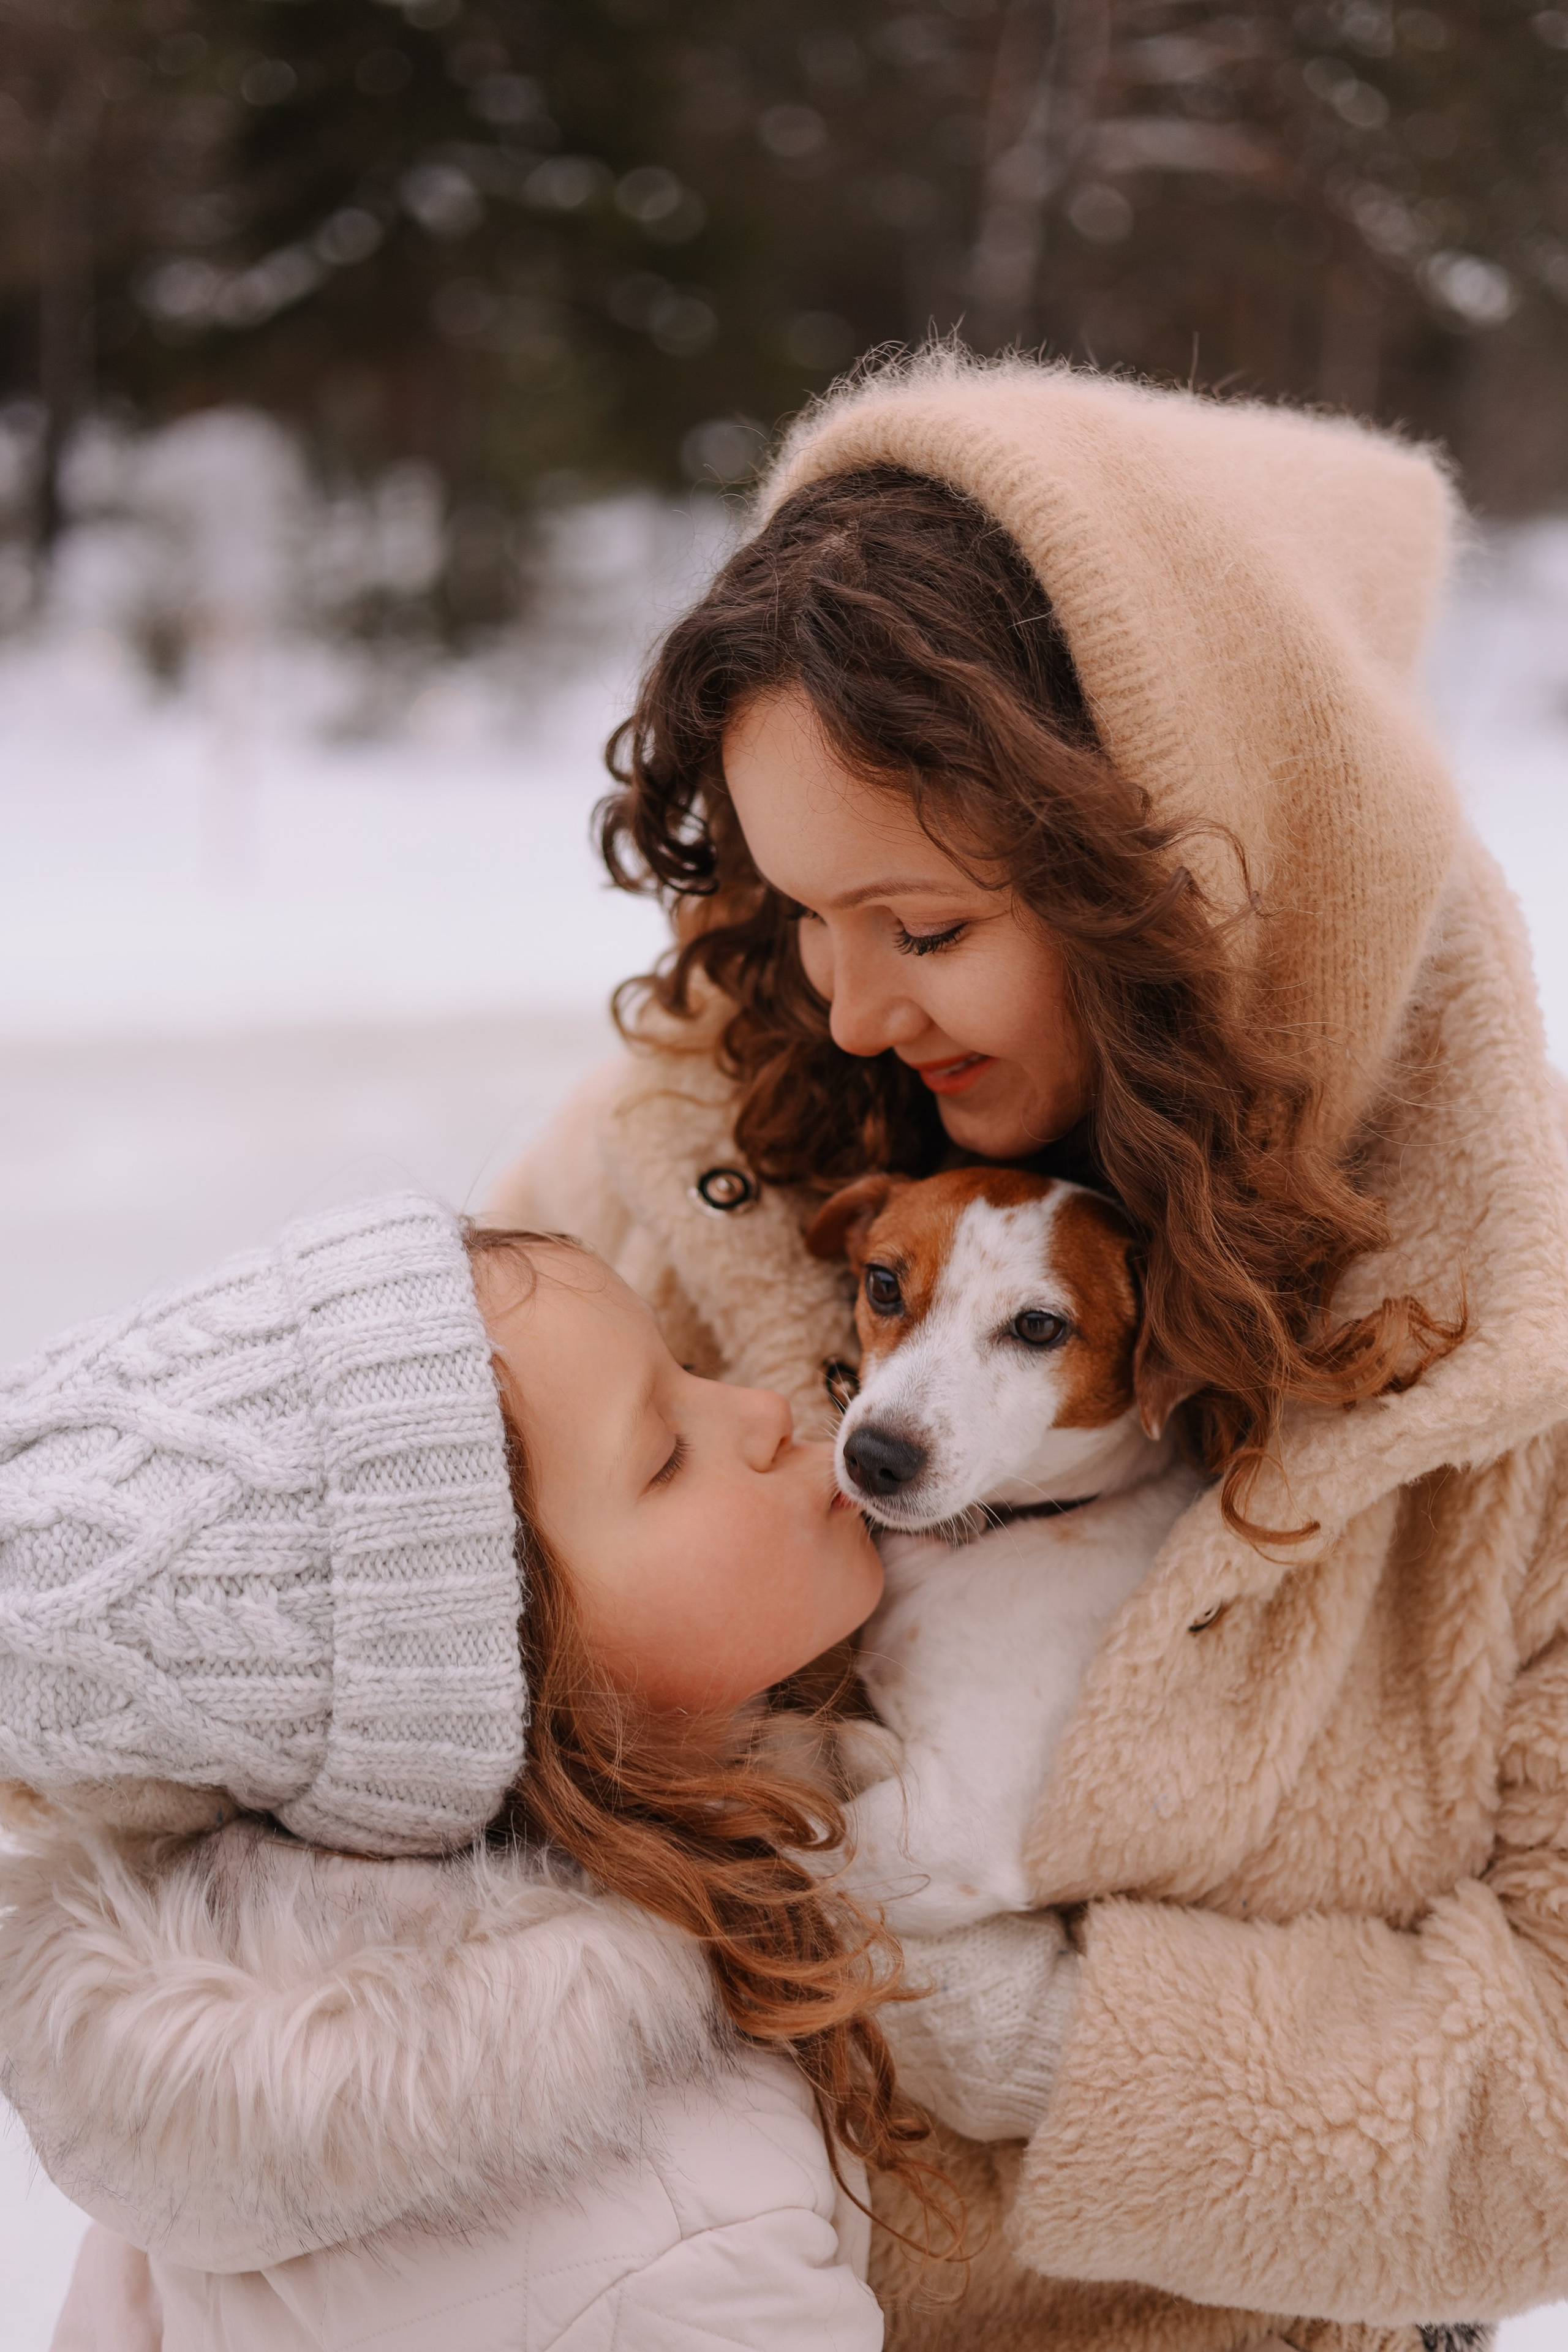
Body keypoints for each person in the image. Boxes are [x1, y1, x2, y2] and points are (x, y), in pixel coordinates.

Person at [477, 352, 1568, 2350]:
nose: (847, 1010)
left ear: (1177, 890)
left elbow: (1551, 2108)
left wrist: (1026, 2035)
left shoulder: (1513, 1345)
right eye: (802, 912)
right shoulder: (683, 1158)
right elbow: (335, 1688)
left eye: (921, 927)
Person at [0, 1193, 947, 2349]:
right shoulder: (690, 2232)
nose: (759, 1408)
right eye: (664, 1458)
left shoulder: (212, 2117)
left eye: (690, 1369)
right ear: (500, 1678)